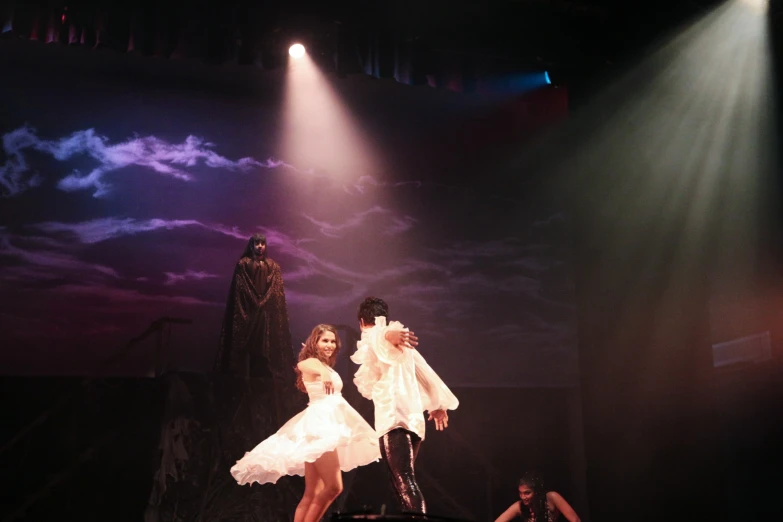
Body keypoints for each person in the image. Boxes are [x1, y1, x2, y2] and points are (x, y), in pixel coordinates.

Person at [231, 324, 381, 522]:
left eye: (332, 341)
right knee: (334, 487)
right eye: (324, 340)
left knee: (312, 493)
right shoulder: (311, 362)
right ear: (315, 343)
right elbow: (304, 365)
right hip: (320, 425)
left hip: (328, 422)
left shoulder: (325, 366)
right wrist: (324, 373)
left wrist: (326, 371)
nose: (329, 344)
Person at [350, 297, 459, 514]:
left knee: (403, 480)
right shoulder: (404, 348)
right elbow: (424, 370)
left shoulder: (376, 334)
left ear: (362, 322)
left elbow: (378, 333)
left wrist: (387, 333)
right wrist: (438, 404)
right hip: (413, 421)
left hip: (394, 418)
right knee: (400, 484)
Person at [213, 234, 295, 422]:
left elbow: (276, 293)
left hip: (265, 315)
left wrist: (263, 304)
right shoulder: (243, 264)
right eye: (256, 243)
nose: (260, 247)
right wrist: (253, 303)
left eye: (262, 243)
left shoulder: (273, 267)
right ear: (251, 245)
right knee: (244, 344)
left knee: (263, 346)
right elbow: (240, 290)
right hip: (246, 312)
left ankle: (263, 377)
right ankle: (240, 379)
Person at [494, 472, 581, 522]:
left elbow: (575, 520)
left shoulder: (551, 497)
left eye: (527, 493)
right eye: (520, 493)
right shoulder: (519, 506)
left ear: (536, 492)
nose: (523, 497)